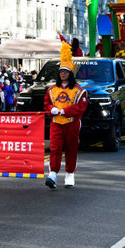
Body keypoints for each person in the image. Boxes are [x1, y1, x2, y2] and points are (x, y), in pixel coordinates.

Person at [44, 42, 88, 189]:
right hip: (56, 123)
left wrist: (65, 111)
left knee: (71, 148)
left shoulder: (78, 90)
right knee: (55, 149)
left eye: (66, 72)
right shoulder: (51, 89)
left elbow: (81, 107)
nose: (63, 74)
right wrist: (51, 109)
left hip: (72, 123)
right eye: (61, 72)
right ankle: (53, 174)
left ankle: (70, 174)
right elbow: (46, 105)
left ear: (70, 73)